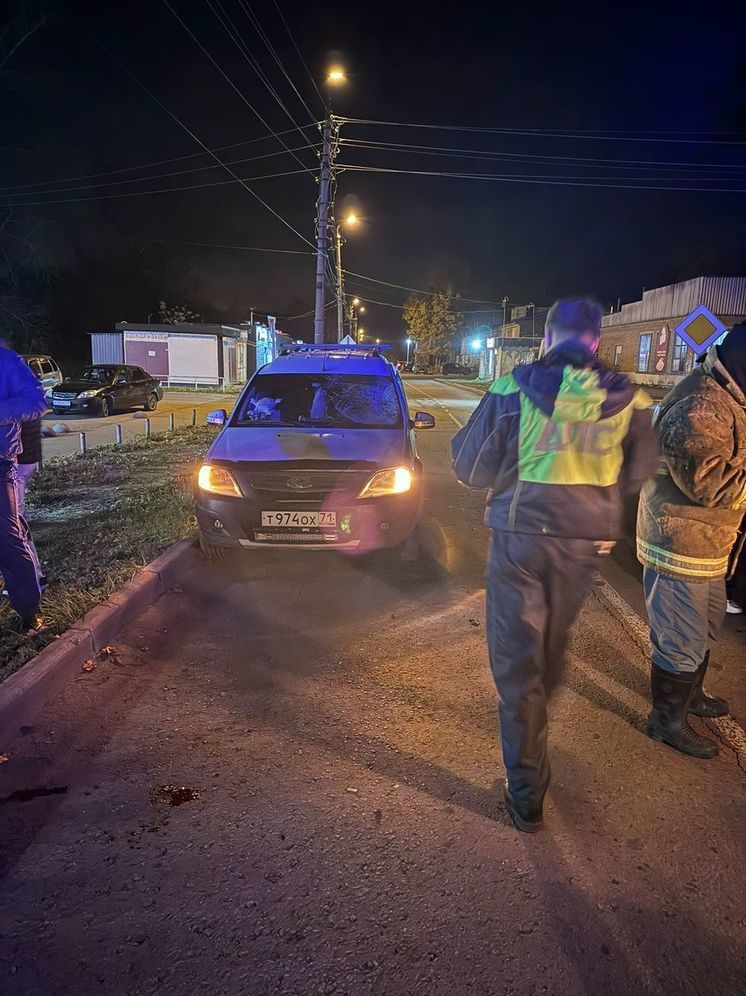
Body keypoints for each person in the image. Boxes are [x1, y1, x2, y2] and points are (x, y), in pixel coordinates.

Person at [453, 299, 657, 833]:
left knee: (518, 665)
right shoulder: (632, 397)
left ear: (547, 339)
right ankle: (535, 735)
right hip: (584, 547)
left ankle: (526, 792)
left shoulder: (512, 388)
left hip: (521, 541)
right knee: (549, 654)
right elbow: (638, 476)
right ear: (595, 340)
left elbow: (470, 468)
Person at [637, 322, 746, 758]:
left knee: (705, 626)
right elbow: (709, 482)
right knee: (680, 636)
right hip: (678, 543)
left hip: (707, 543)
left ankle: (690, 698)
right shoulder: (701, 404)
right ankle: (665, 720)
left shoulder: (728, 396)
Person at [0, 343, 48, 631]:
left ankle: (29, 612)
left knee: (7, 537)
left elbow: (36, 400)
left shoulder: (6, 361)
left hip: (0, 462)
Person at [17, 416, 45, 588]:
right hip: (24, 459)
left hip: (18, 463)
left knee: (15, 520)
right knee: (18, 518)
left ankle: (34, 576)